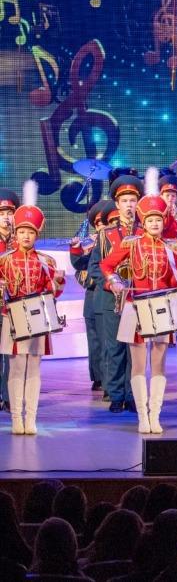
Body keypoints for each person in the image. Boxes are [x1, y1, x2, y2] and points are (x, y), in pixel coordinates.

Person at [101, 178, 177, 434]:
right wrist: (114, 281)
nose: (154, 224)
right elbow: (107, 265)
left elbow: (173, 283)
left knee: (159, 364)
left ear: (163, 223)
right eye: (150, 220)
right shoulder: (131, 244)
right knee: (138, 365)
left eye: (158, 220)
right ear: (143, 222)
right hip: (135, 306)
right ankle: (142, 415)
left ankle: (155, 414)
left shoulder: (169, 249)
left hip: (162, 306)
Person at [0, 184, 65, 434]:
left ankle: (31, 418)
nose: (26, 236)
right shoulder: (4, 260)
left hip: (38, 318)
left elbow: (53, 291)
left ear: (37, 234)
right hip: (12, 318)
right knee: (16, 368)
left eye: (30, 232)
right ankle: (17, 418)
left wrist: (57, 283)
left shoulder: (46, 261)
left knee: (35, 368)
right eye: (22, 232)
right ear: (15, 233)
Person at [89, 174, 143, 413]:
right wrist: (111, 283)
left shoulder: (144, 232)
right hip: (112, 297)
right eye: (125, 201)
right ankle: (115, 394)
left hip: (136, 296)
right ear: (117, 205)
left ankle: (132, 394)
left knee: (134, 348)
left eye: (133, 200)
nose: (129, 205)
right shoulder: (105, 234)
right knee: (114, 348)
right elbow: (94, 267)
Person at [69, 201, 108, 396]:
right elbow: (79, 264)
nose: (102, 227)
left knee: (109, 341)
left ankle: (111, 380)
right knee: (95, 341)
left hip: (110, 295)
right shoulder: (92, 245)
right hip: (93, 297)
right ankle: (98, 378)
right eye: (98, 224)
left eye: (105, 223)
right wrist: (76, 248)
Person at [0, 188, 18, 411]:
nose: (6, 218)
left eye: (9, 213)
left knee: (10, 352)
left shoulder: (19, 241)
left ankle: (8, 395)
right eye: (2, 213)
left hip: (12, 304)